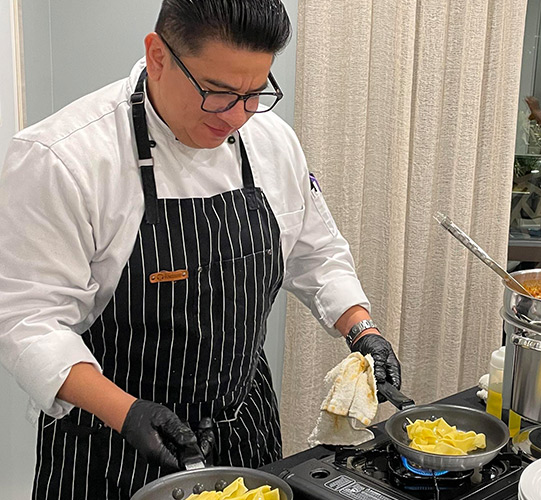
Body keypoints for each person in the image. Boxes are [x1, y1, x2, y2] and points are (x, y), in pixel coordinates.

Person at [0, 1, 402, 498]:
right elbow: (29, 321)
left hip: (244, 425)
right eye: (218, 93)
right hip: (113, 435)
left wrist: (362, 330)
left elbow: (316, 252)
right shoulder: (63, 158)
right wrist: (125, 411)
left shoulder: (272, 141)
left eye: (255, 93)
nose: (237, 116)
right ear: (157, 56)